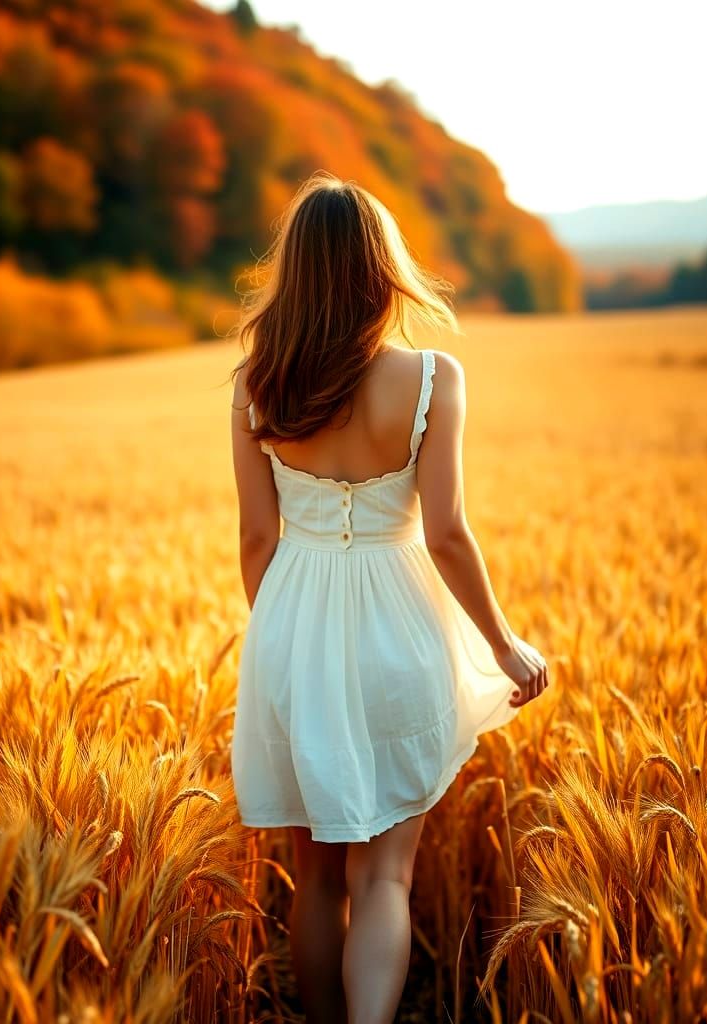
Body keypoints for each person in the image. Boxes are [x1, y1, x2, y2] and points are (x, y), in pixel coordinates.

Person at [228, 171, 550, 1024]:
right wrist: (503, 644)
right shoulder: (434, 378)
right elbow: (445, 533)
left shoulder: (256, 382)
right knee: (386, 874)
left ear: (294, 272)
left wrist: (286, 640)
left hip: (294, 626)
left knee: (318, 874)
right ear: (382, 269)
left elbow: (256, 540)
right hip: (400, 632)